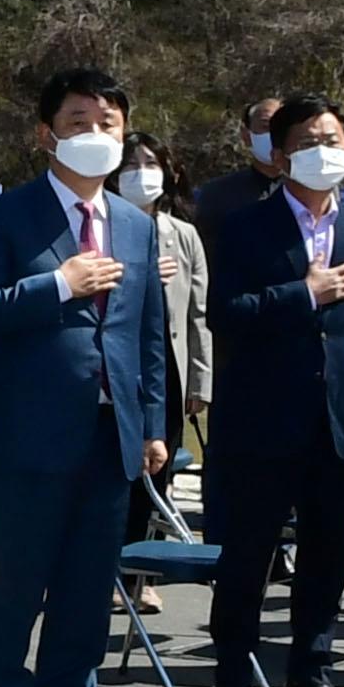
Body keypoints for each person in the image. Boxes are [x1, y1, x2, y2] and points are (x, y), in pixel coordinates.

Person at [0, 67, 168, 687]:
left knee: (86, 592)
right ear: (47, 136)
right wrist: (58, 286)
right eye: (79, 123)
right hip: (26, 438)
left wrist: (154, 422)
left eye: (107, 123)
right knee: (15, 589)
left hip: (112, 436)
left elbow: (148, 335)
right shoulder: (7, 215)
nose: (95, 136)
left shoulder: (137, 225)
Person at [201, 93, 344, 687]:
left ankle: (309, 677)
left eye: (336, 140)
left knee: (327, 556)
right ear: (282, 153)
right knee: (249, 555)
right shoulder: (242, 225)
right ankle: (233, 677)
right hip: (262, 419)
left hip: (339, 423)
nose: (327, 152)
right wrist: (303, 294)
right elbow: (225, 316)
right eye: (312, 141)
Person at [114, 134, 211, 610]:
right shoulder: (105, 225)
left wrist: (199, 381)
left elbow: (198, 313)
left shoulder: (183, 233)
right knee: (115, 472)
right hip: (115, 370)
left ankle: (139, 575)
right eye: (130, 163)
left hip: (166, 374)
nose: (141, 171)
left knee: (157, 475)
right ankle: (106, 567)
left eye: (150, 162)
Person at [190, 95, 285, 243]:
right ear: (246, 135)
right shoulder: (214, 194)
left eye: (282, 128)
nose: (273, 135)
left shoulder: (309, 191)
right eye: (265, 126)